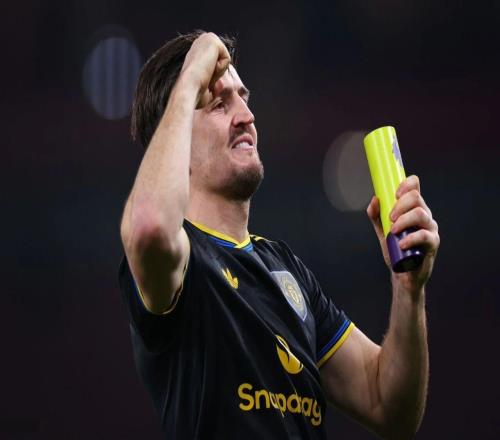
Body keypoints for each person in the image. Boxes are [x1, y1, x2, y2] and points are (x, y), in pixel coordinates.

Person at [118, 31, 440, 440]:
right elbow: (148, 226)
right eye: (219, 104)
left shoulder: (287, 271)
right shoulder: (182, 264)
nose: (246, 116)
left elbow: (389, 406)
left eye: (243, 98)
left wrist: (408, 289)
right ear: (177, 135)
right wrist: (190, 76)